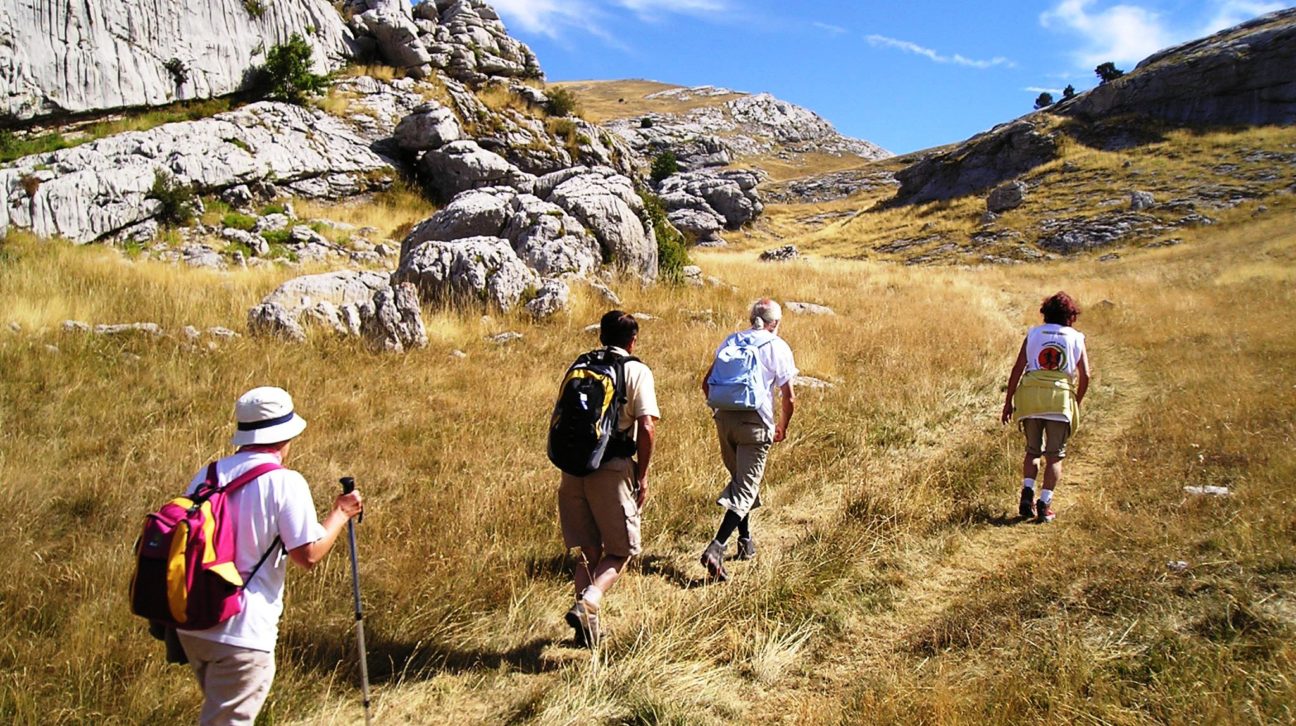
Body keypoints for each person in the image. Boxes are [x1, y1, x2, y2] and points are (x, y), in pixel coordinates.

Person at [176, 387, 363, 725]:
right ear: (285, 436)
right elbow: (307, 555)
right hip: (242, 632)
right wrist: (340, 513)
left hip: (193, 623)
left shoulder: (207, 475)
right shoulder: (284, 482)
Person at [557, 310, 659, 647]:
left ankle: (587, 633)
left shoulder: (580, 366)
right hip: (611, 468)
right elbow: (646, 426)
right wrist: (642, 476)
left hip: (573, 468)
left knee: (588, 551)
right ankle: (590, 601)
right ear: (633, 340)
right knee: (620, 551)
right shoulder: (636, 371)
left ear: (602, 336)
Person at [699, 298, 798, 581]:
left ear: (751, 317)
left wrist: (722, 410)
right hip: (755, 422)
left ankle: (745, 542)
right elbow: (788, 397)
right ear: (775, 323)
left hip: (724, 419)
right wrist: (782, 426)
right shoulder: (777, 346)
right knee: (746, 488)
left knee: (740, 481)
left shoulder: (732, 340)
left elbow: (706, 384)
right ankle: (716, 548)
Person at [1001, 292, 1092, 523]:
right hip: (1060, 398)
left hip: (1030, 396)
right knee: (1054, 457)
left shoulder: (1033, 334)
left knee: (1032, 451)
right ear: (1071, 315)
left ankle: (1027, 492)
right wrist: (1075, 402)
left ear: (1045, 313)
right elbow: (1086, 375)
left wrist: (1008, 402)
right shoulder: (1076, 337)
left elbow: (1017, 369)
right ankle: (1044, 503)